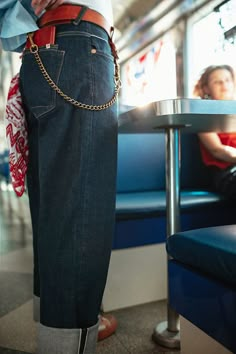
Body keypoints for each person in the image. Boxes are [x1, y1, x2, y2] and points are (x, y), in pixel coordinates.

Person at [0, 1, 121, 353]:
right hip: (80, 44)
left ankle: (55, 331)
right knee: (81, 217)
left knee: (55, 213)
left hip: (42, 54)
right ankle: (67, 343)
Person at [193, 64, 236, 199]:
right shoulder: (203, 114)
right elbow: (217, 150)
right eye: (217, 81)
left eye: (227, 80)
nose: (224, 84)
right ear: (206, 88)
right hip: (226, 172)